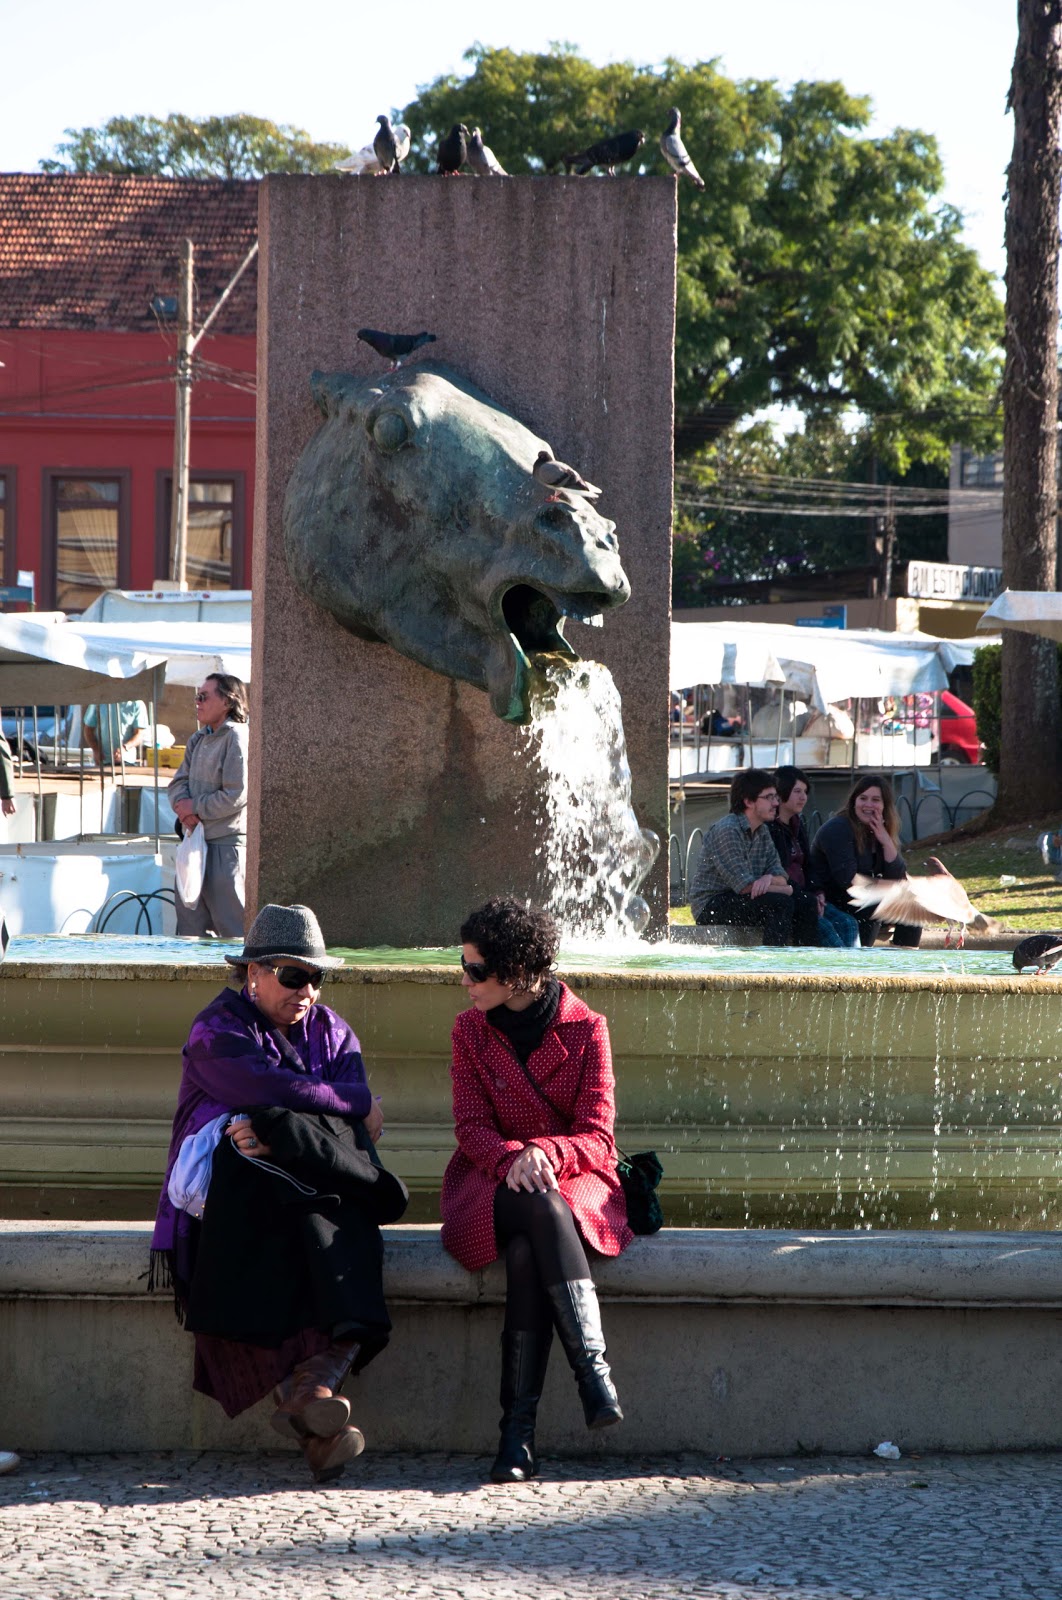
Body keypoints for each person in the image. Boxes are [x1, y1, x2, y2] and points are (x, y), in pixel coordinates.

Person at [149, 902, 408, 1484]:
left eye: (316, 977)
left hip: (306, 1190)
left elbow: (329, 1099)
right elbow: (267, 1085)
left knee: (316, 1199)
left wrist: (281, 1128)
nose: (308, 989)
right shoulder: (216, 1028)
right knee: (314, 1204)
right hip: (228, 1200)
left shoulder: (335, 1031)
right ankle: (316, 1396)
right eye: (294, 975)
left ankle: (312, 1408)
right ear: (254, 974)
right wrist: (341, 1109)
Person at [440, 897, 632, 1484]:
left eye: (476, 970)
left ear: (517, 970)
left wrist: (544, 1152)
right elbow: (471, 1128)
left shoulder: (586, 1028)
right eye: (464, 966)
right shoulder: (470, 1031)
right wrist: (512, 1158)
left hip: (570, 1179)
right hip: (489, 1180)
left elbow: (599, 1137)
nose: (465, 981)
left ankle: (516, 1438)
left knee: (527, 1251)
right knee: (536, 1206)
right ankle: (592, 1375)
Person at [688, 769, 819, 946]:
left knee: (807, 902)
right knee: (781, 902)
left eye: (776, 797)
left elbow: (781, 875)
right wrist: (786, 889)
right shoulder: (728, 830)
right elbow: (744, 886)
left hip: (746, 896)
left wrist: (769, 878)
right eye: (769, 797)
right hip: (712, 904)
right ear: (748, 801)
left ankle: (804, 963)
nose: (775, 803)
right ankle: (771, 962)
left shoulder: (763, 830)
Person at [169, 674, 248, 938]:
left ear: (227, 701)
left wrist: (195, 808)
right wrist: (183, 807)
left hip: (225, 848)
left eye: (204, 696)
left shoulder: (237, 737)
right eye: (197, 696)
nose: (197, 702)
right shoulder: (197, 739)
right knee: (190, 932)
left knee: (233, 931)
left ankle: (242, 980)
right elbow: (177, 782)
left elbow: (237, 794)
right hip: (194, 845)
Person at [808, 774, 922, 948]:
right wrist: (889, 888)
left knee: (912, 908)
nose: (868, 804)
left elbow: (898, 876)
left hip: (860, 898)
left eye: (875, 800)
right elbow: (848, 881)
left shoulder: (878, 830)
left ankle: (901, 965)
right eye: (863, 798)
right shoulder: (838, 828)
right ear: (854, 802)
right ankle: (863, 965)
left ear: (885, 806)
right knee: (873, 906)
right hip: (832, 900)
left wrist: (885, 840)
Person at [769, 766, 859, 949]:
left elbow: (809, 865)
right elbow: (779, 870)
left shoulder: (798, 824)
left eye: (805, 792)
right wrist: (807, 898)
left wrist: (818, 892)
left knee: (849, 924)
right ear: (782, 791)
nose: (803, 797)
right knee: (826, 929)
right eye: (797, 791)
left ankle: (854, 972)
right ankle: (835, 974)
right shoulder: (770, 828)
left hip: (809, 895)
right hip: (792, 899)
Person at [84, 700, 148, 766]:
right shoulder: (98, 703)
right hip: (103, 760)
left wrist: (125, 747)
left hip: (126, 760)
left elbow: (139, 734)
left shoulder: (136, 703)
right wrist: (96, 749)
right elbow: (88, 730)